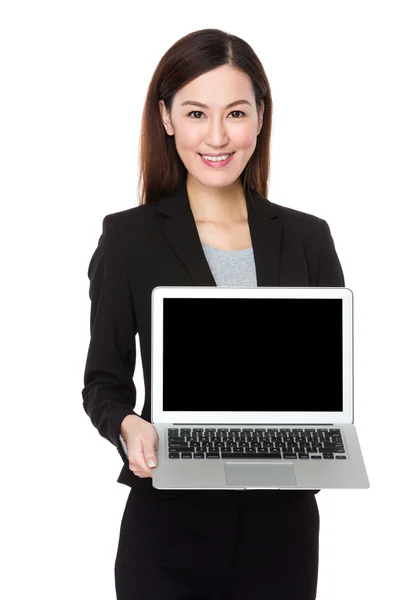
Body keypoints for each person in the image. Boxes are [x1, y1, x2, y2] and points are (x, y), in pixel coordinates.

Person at [82, 28, 345, 600]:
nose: (218, 136)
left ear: (260, 117)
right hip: (168, 523)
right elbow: (103, 382)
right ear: (167, 117)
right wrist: (127, 427)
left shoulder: (308, 238)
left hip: (282, 526)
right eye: (197, 113)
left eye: (236, 112)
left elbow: (326, 382)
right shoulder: (128, 240)